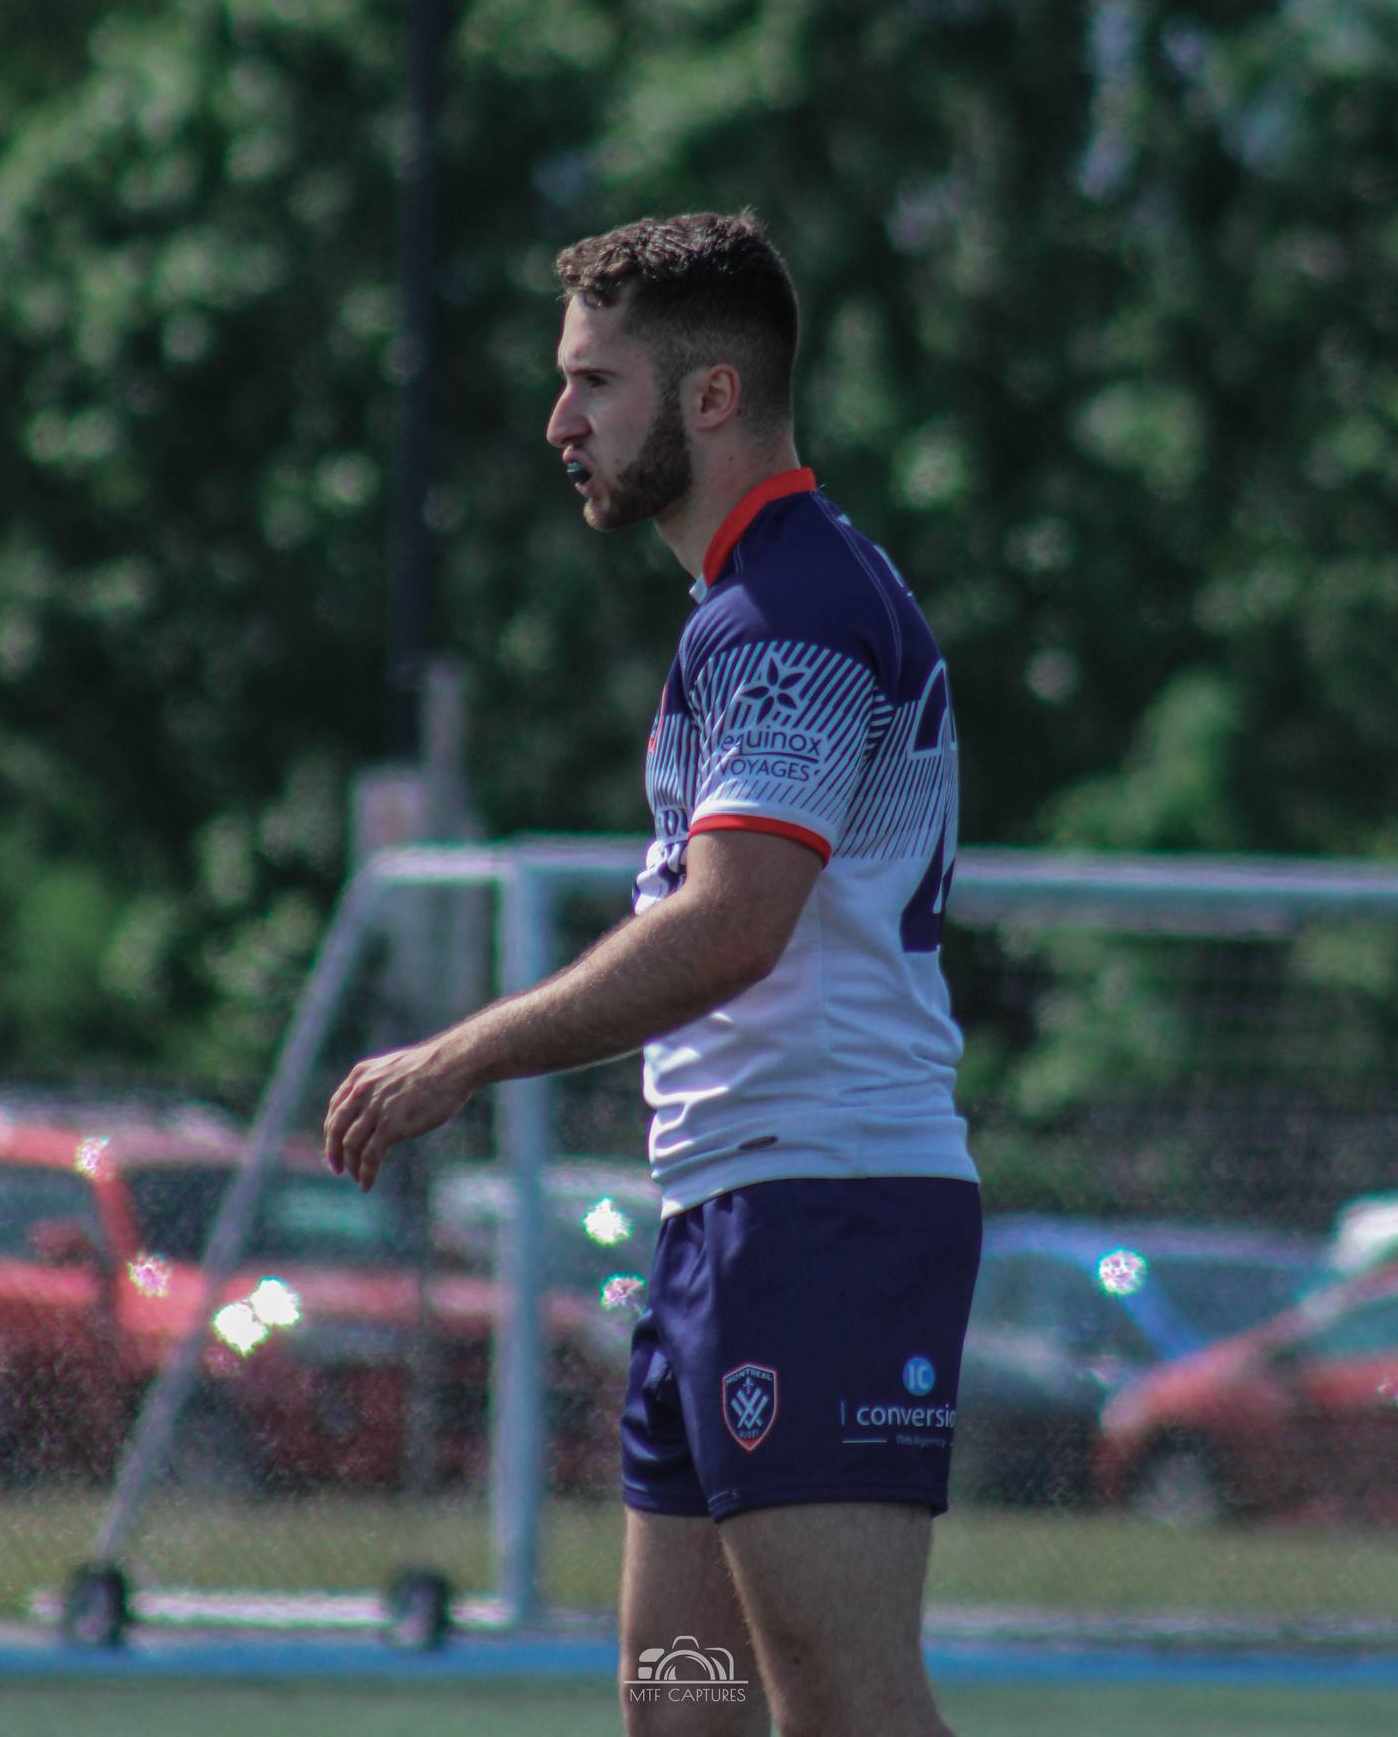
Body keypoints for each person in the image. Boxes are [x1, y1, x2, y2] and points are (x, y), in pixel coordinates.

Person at [325, 210, 980, 1737]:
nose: (560, 421)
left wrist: (465, 1055)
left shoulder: (797, 615)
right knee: (684, 1712)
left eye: (596, 383)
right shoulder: (745, 613)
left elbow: (735, 921)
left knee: (850, 1712)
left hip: (828, 1214)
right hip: (733, 1223)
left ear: (710, 399)